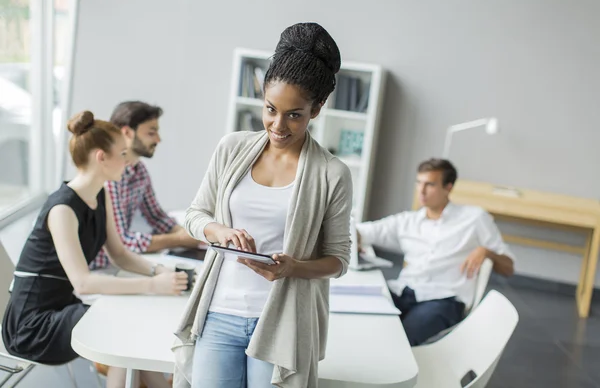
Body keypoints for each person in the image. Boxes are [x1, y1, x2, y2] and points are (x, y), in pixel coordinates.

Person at [171, 22, 353, 388]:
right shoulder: (232, 148)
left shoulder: (332, 173)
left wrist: (293, 268)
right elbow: (194, 215)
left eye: (294, 115)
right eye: (270, 109)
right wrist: (219, 230)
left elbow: (338, 261)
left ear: (316, 109)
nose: (278, 125)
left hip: (282, 321)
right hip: (220, 312)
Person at [2, 111, 188, 388]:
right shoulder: (62, 208)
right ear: (102, 157)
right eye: (122, 154)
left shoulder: (100, 194)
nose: (127, 162)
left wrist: (158, 271)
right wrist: (153, 285)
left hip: (64, 308)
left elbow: (120, 254)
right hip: (32, 326)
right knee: (118, 327)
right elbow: (83, 282)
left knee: (125, 326)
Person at [356, 158, 515, 346]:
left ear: (448, 187)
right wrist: (352, 237)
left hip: (443, 300)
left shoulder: (474, 218)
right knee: (357, 319)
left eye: (430, 184)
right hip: (403, 291)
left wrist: (487, 251)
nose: (421, 191)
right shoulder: (408, 221)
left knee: (399, 341)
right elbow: (362, 231)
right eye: (419, 183)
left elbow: (508, 268)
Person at [90, 101, 202, 270]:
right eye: (151, 133)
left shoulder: (139, 170)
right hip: (99, 269)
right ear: (127, 132)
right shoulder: (109, 176)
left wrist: (189, 235)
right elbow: (123, 242)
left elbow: (156, 216)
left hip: (118, 265)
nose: (158, 139)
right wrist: (180, 239)